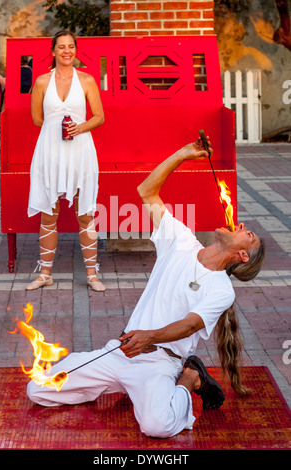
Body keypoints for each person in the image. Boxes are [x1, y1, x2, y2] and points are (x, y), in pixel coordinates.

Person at [27, 138, 265, 438]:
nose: (240, 225)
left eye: (249, 234)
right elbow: (146, 192)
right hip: (121, 352)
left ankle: (188, 378)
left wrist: (149, 337)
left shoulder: (221, 289)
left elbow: (189, 325)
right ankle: (107, 386)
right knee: (37, 388)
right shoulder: (181, 241)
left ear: (242, 256)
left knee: (158, 425)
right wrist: (182, 154)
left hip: (159, 362)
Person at [26, 30, 106, 292]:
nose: (67, 51)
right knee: (49, 215)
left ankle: (93, 275)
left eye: (71, 46)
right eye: (61, 47)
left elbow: (99, 117)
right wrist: (54, 130)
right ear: (53, 51)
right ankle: (45, 274)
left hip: (80, 152)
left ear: (76, 50)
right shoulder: (40, 82)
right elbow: (38, 119)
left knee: (85, 215)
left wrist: (79, 128)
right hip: (49, 152)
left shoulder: (86, 79)